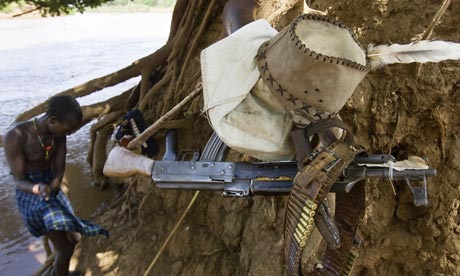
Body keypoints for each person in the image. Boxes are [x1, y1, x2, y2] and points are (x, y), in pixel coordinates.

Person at [3, 95, 108, 276]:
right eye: (67, 130)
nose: (68, 135)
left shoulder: (58, 133)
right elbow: (19, 181)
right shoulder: (16, 136)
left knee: (74, 237)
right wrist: (40, 189)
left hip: (51, 186)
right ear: (53, 120)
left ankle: (57, 270)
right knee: (65, 248)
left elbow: (59, 167)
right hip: (31, 193)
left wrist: (54, 184)